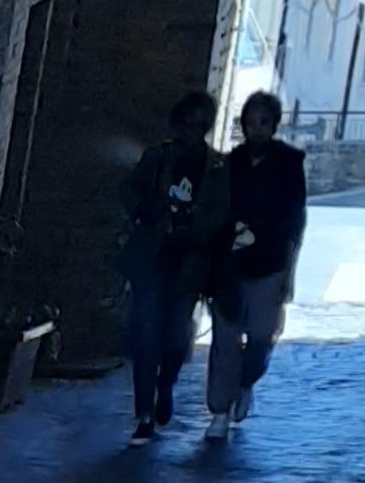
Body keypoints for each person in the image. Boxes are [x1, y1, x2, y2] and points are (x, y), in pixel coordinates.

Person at [197, 89, 307, 443]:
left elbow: (294, 220)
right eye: (250, 122)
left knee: (261, 336)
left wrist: (289, 270)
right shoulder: (229, 164)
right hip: (230, 264)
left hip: (270, 262)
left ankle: (246, 382)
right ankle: (218, 411)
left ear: (273, 126)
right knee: (225, 339)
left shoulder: (289, 163)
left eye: (263, 123)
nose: (255, 130)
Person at [119, 88, 216, 442]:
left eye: (198, 125)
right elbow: (129, 192)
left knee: (176, 338)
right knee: (145, 337)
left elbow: (221, 213)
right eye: (185, 124)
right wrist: (148, 213)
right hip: (152, 259)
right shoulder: (156, 159)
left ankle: (166, 383)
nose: (191, 131)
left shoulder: (215, 168)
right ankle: (144, 413)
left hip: (188, 264)